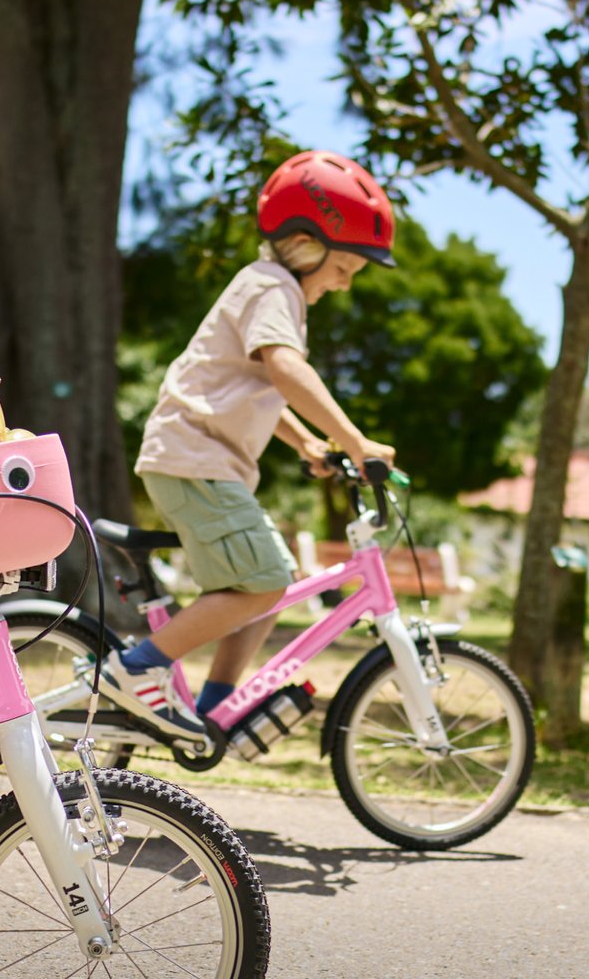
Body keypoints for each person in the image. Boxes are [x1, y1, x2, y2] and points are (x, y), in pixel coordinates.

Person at [117, 150, 400, 732]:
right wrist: (352, 440)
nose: (344, 285)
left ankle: (213, 710)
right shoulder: (274, 288)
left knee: (272, 584)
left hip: (196, 459)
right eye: (344, 269)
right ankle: (135, 667)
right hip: (194, 460)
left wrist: (306, 446)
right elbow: (285, 370)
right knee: (265, 581)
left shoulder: (269, 287)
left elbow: (258, 389)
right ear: (305, 245)